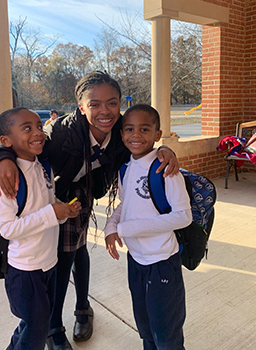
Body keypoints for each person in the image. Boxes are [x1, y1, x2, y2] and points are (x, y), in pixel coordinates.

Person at [0, 71, 179, 350]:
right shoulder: (60, 132)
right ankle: (53, 328)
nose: (105, 111)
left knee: (79, 249)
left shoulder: (120, 132)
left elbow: (143, 144)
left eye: (112, 103)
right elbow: (24, 145)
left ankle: (82, 308)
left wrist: (166, 151)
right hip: (56, 198)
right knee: (64, 256)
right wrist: (0, 157)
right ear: (81, 107)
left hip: (85, 194)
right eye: (95, 104)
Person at [0, 107, 82, 350]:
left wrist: (63, 211)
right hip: (25, 269)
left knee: (32, 324)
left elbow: (45, 207)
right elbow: (8, 229)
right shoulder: (6, 179)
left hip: (48, 263)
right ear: (6, 141)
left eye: (39, 126)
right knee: (36, 329)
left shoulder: (43, 167)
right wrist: (52, 214)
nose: (37, 132)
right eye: (26, 128)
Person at [104, 104, 192, 350]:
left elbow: (183, 216)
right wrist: (111, 226)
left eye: (144, 129)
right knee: (146, 330)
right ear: (121, 134)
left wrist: (125, 230)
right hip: (136, 261)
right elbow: (125, 204)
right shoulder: (125, 168)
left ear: (157, 133)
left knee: (166, 335)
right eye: (129, 129)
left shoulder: (165, 169)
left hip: (162, 262)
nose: (136, 135)